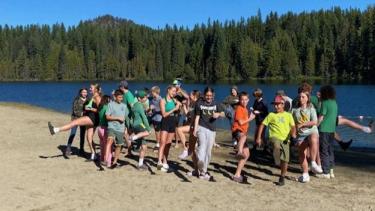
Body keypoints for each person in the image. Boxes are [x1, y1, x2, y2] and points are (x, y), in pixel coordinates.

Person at [48, 83, 102, 160]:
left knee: (74, 123)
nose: (89, 89)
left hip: (93, 118)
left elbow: (100, 110)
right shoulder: (92, 97)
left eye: (91, 88)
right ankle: (94, 155)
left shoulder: (97, 97)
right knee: (89, 139)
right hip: (90, 118)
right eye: (89, 88)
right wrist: (88, 108)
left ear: (96, 89)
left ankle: (55, 130)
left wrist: (90, 109)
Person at [256, 95, 296, 186]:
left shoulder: (288, 115)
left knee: (285, 160)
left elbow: (293, 127)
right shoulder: (271, 115)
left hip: (286, 140)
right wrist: (259, 138)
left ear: (283, 104)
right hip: (274, 137)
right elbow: (262, 125)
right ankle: (276, 159)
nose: (276, 106)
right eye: (275, 105)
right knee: (276, 145)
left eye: (278, 104)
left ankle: (282, 177)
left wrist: (293, 135)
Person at [193, 87, 225, 180]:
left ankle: (203, 171)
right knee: (202, 145)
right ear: (204, 95)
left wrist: (218, 114)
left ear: (213, 95)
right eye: (207, 95)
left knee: (208, 151)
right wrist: (195, 129)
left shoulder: (216, 103)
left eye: (210, 95)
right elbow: (197, 117)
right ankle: (201, 161)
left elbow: (223, 113)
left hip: (212, 129)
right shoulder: (199, 103)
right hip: (201, 127)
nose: (209, 97)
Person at [291, 91, 323, 183]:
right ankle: (305, 174)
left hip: (311, 131)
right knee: (302, 153)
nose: (301, 98)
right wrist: (293, 134)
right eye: (300, 97)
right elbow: (292, 123)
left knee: (313, 138)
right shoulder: (294, 110)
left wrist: (302, 124)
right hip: (301, 134)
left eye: (303, 97)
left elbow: (314, 122)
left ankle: (313, 162)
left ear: (307, 98)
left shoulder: (311, 108)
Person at [231, 92, 255, 183]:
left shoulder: (245, 109)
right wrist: (250, 118)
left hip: (242, 132)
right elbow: (241, 122)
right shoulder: (239, 109)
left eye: (245, 99)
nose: (244, 101)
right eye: (242, 99)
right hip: (237, 131)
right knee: (244, 136)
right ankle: (239, 151)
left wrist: (251, 114)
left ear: (248, 100)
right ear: (239, 100)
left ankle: (237, 174)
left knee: (247, 154)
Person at [157, 85, 181, 172]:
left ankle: (165, 162)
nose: (174, 93)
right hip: (165, 122)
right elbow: (164, 114)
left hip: (173, 122)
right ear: (168, 90)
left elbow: (178, 111)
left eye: (175, 92)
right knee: (162, 142)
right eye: (173, 91)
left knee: (168, 144)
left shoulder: (175, 100)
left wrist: (178, 106)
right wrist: (174, 109)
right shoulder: (163, 101)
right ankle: (159, 162)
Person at [317, 85, 338, 179]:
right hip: (332, 130)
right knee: (330, 150)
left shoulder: (325, 103)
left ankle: (325, 172)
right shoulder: (335, 103)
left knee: (324, 150)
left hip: (324, 129)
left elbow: (321, 117)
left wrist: (314, 126)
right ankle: (331, 171)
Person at [105, 90, 129, 168]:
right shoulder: (110, 105)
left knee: (119, 146)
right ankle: (106, 159)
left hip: (120, 129)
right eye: (119, 97)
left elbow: (126, 118)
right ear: (115, 97)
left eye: (122, 97)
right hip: (112, 127)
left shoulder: (124, 106)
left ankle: (115, 161)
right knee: (109, 141)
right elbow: (107, 117)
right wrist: (117, 118)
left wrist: (126, 128)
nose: (121, 99)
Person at [129, 90, 152, 170]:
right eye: (144, 97)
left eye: (146, 97)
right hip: (140, 125)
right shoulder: (139, 105)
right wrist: (148, 128)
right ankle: (133, 138)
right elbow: (144, 117)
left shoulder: (134, 105)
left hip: (135, 126)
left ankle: (140, 164)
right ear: (139, 98)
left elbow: (131, 118)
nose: (146, 98)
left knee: (144, 146)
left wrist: (132, 127)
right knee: (147, 132)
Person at [176, 90, 201, 159]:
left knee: (194, 150)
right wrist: (184, 107)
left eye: (191, 95)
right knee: (179, 130)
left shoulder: (198, 104)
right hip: (192, 126)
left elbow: (198, 117)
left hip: (198, 127)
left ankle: (186, 150)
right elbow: (189, 116)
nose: (189, 96)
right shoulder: (193, 104)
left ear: (194, 96)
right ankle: (186, 150)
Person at [65, 88, 88, 156]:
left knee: (82, 135)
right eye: (83, 92)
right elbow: (74, 110)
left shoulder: (88, 100)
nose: (85, 93)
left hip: (84, 120)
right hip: (75, 119)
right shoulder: (77, 100)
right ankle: (68, 149)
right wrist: (82, 114)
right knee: (73, 133)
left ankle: (81, 150)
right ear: (80, 93)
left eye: (86, 92)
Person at [118, 80, 138, 155]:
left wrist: (134, 116)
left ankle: (131, 149)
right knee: (126, 134)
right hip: (124, 116)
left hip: (128, 117)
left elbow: (132, 105)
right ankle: (129, 149)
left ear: (123, 87)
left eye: (120, 86)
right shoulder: (125, 94)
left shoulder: (128, 94)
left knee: (128, 133)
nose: (119, 88)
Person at [97, 95, 111, 165]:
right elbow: (108, 117)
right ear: (107, 100)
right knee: (108, 146)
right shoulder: (107, 107)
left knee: (102, 146)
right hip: (105, 128)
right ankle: (108, 162)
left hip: (99, 128)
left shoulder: (100, 107)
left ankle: (101, 159)